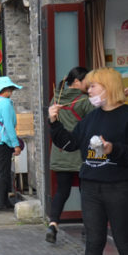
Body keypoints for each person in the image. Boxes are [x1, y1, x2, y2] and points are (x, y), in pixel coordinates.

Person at [49, 67, 128, 255]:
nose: (88, 90)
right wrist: (54, 123)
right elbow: (70, 143)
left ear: (108, 87)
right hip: (91, 188)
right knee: (94, 242)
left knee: (124, 241)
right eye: (89, 86)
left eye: (93, 86)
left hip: (120, 188)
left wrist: (113, 148)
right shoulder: (91, 118)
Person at [47, 67, 93, 243]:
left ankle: (53, 224)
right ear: (76, 82)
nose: (88, 85)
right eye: (86, 81)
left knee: (62, 191)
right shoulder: (84, 102)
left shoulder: (56, 98)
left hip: (60, 153)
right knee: (86, 191)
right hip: (80, 153)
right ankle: (88, 228)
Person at [0, 76, 23, 211]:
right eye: (11, 89)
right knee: (4, 173)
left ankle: (4, 201)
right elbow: (9, 126)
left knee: (1, 172)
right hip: (4, 142)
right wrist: (16, 144)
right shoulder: (6, 103)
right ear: (6, 90)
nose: (12, 92)